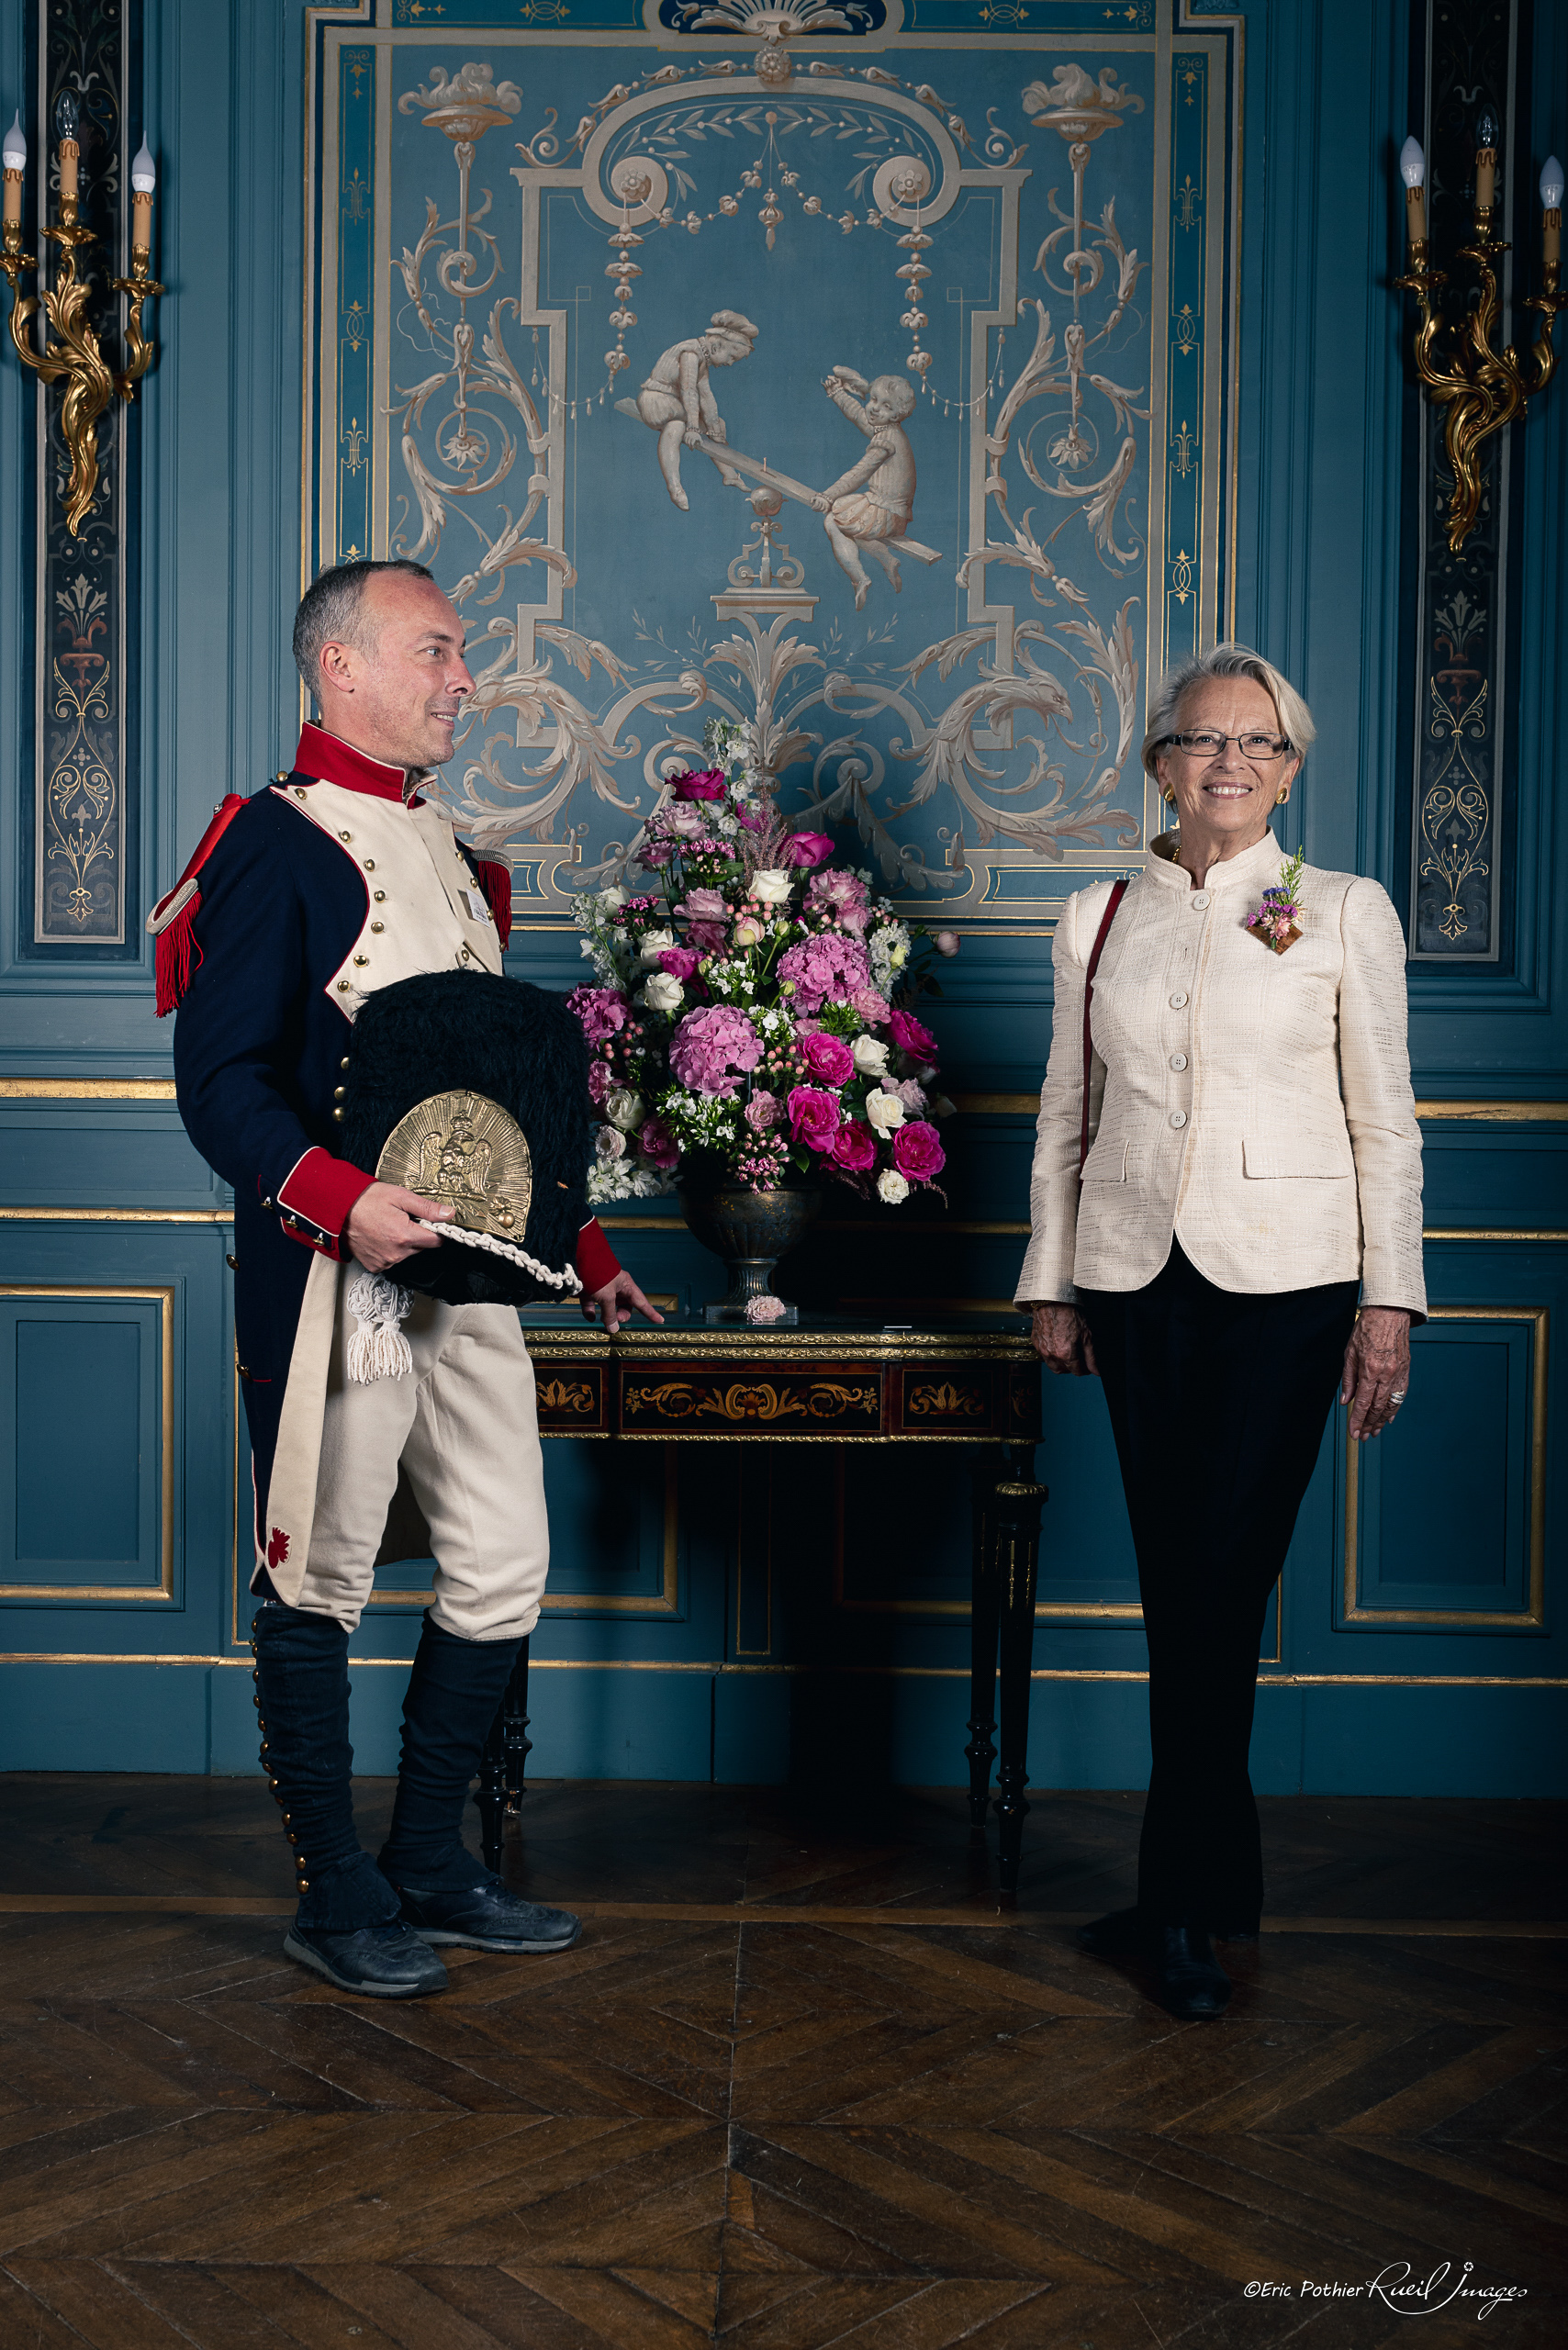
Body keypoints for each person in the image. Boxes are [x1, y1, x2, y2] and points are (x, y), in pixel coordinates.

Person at [148, 557, 660, 1998]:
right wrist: (341, 1201)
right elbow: (220, 1084)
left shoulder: (458, 859)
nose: (464, 679)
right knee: (320, 1572)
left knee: (502, 1562)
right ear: (342, 667)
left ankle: (430, 1862)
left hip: (477, 1283)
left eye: (461, 653)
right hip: (339, 1279)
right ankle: (336, 1894)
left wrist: (586, 1253)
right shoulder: (273, 844)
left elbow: (492, 1106)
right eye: (435, 651)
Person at [1014, 643, 1425, 2020]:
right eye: (1204, 739)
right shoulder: (1097, 915)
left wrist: (1388, 1300)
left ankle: (1179, 1902)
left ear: (1290, 771)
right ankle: (1209, 1877)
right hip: (1135, 1279)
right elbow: (1066, 1111)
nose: (1230, 762)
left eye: (1260, 743)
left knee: (1219, 1582)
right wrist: (1051, 1278)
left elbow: (1385, 1124)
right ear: (1160, 763)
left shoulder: (1343, 910)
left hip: (1290, 1284)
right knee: (1175, 1578)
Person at [814, 367, 919, 608]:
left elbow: (859, 472)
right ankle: (887, 560)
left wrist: (827, 496)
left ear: (896, 415)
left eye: (886, 406)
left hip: (887, 513)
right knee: (847, 522)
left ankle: (859, 578)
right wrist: (838, 394)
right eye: (873, 400)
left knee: (833, 521)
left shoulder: (886, 442)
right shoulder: (889, 430)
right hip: (886, 509)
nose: (874, 408)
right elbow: (858, 416)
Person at [635, 310, 758, 509]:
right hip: (657, 401)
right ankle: (675, 487)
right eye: (732, 357)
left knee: (718, 424)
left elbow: (706, 397)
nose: (729, 363)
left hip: (674, 403)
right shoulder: (690, 353)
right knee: (676, 427)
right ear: (717, 346)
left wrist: (714, 429)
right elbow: (688, 391)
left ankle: (729, 475)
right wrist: (693, 428)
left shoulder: (703, 357)